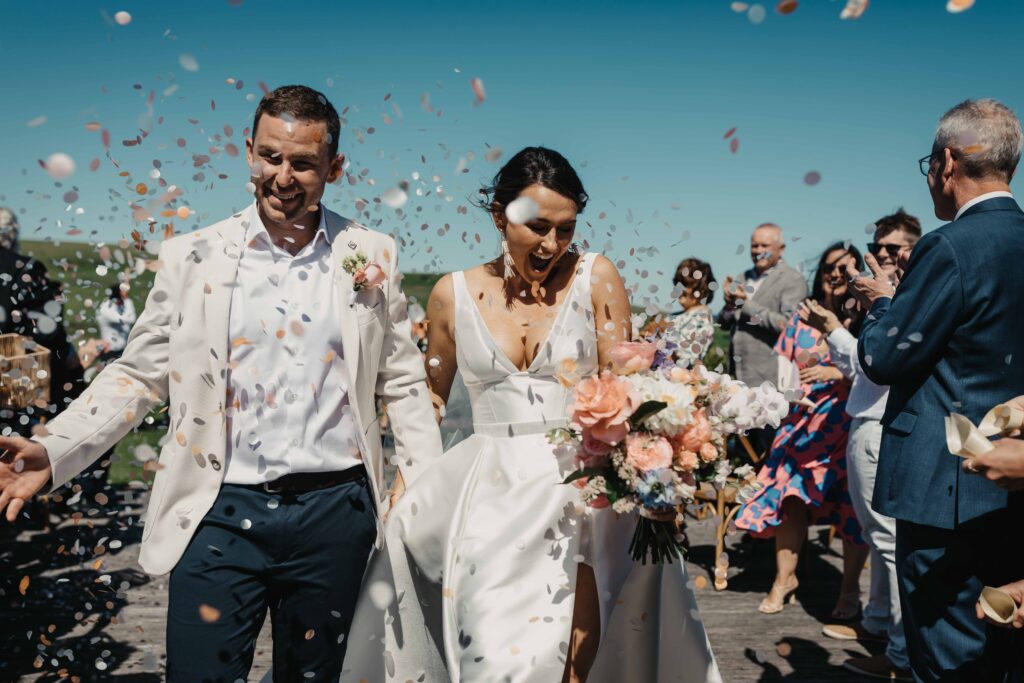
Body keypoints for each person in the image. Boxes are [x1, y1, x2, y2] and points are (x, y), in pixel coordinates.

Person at [0, 85, 443, 682]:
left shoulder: (370, 253)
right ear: (248, 154)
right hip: (218, 510)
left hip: (335, 513)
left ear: (334, 168)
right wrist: (56, 450)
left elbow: (403, 382)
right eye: (270, 157)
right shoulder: (192, 256)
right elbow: (138, 373)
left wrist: (426, 488)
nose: (282, 176)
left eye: (303, 163)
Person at [342, 147, 721, 683]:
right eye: (537, 226)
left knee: (575, 665)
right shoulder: (451, 295)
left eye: (565, 229)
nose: (552, 244)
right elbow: (428, 398)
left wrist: (659, 467)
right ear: (500, 216)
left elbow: (631, 388)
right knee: (493, 657)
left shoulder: (597, 278)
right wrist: (407, 474)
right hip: (489, 498)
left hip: (584, 497)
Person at [851, 99, 1024, 681]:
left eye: (929, 163)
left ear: (947, 162)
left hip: (945, 488)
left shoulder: (949, 246)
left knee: (944, 651)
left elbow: (884, 358)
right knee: (1004, 644)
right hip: (1016, 482)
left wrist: (881, 305)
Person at [801, 210, 921, 682]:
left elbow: (871, 364)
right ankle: (876, 623)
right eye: (879, 245)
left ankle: (898, 653)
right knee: (879, 536)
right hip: (867, 421)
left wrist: (832, 327)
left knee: (889, 539)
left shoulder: (905, 299)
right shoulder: (887, 298)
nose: (883, 254)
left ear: (913, 248)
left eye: (893, 247)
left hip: (881, 424)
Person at [734, 242, 868, 619]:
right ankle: (784, 579)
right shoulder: (802, 316)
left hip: (846, 423)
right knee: (789, 498)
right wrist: (784, 395)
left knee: (851, 508)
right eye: (829, 267)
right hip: (801, 424)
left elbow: (878, 368)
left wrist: (836, 372)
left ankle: (849, 589)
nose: (836, 274)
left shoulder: (869, 316)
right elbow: (783, 367)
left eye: (845, 267)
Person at [718, 224, 808, 456]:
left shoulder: (792, 280)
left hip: (771, 386)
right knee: (741, 458)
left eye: (765, 245)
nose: (758, 250)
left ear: (781, 248)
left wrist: (746, 304)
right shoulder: (742, 277)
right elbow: (726, 322)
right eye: (754, 245)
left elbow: (788, 326)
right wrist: (730, 307)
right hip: (738, 383)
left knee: (766, 456)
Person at [659, 257, 717, 367]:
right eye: (678, 283)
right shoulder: (677, 316)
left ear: (702, 290)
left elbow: (688, 359)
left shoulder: (702, 319)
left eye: (685, 284)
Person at [95, 283, 137, 363]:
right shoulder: (105, 309)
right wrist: (127, 299)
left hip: (123, 350)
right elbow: (131, 319)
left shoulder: (117, 306)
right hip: (111, 351)